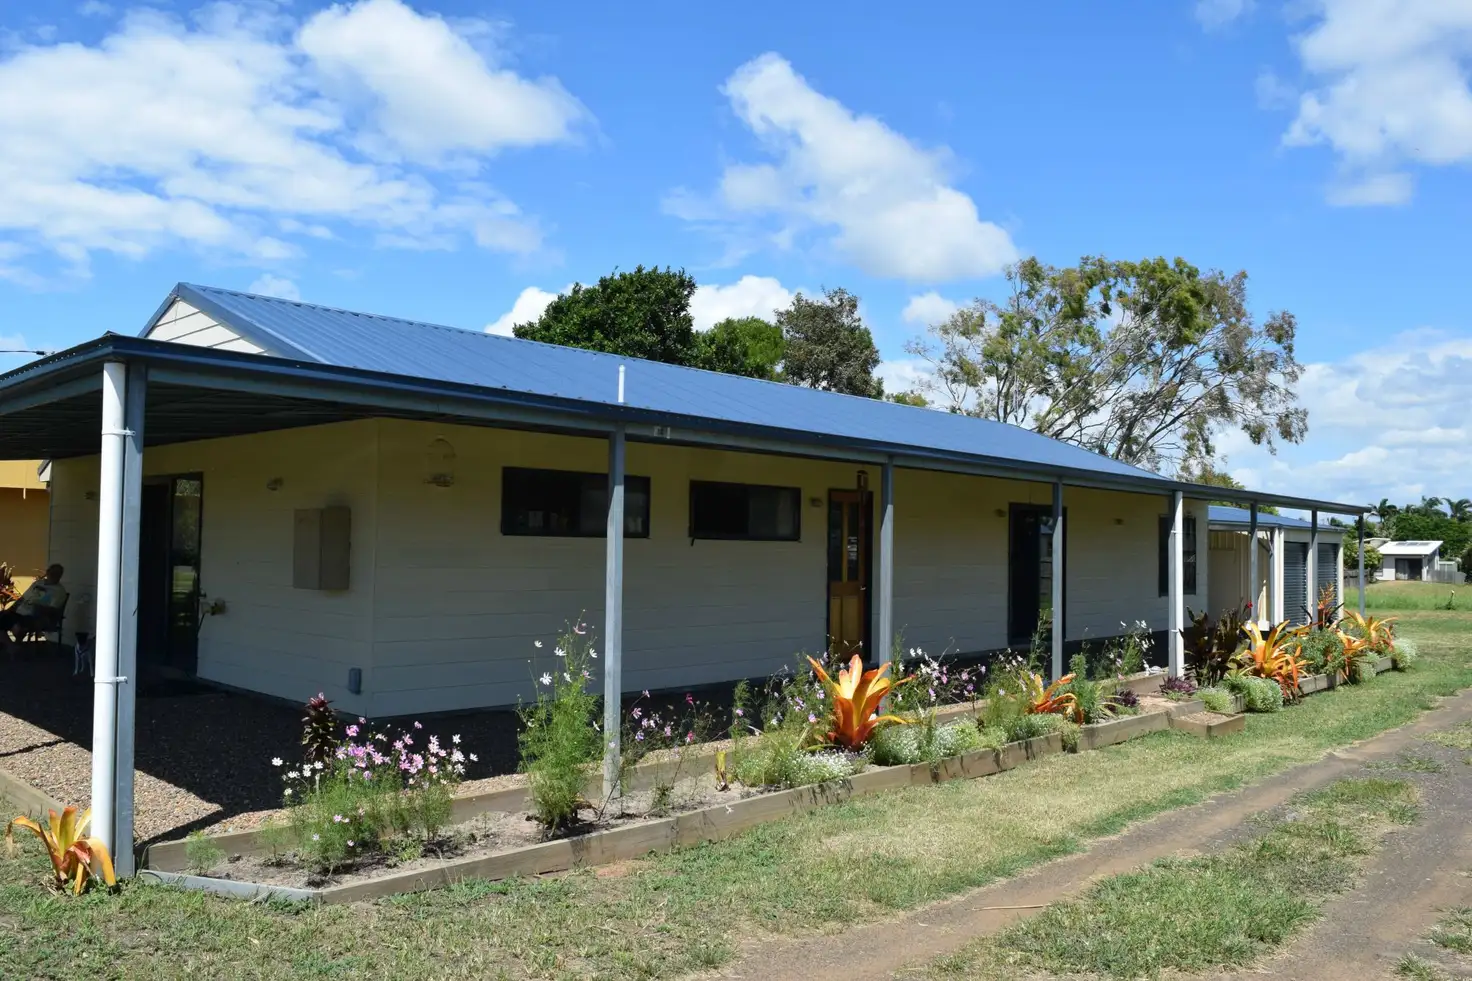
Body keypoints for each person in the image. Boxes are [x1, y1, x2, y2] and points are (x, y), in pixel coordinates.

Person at [0, 564, 68, 645]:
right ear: (47, 572)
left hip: (35, 616)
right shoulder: (38, 583)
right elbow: (23, 598)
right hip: (20, 612)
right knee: (3, 616)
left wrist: (38, 608)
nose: (53, 575)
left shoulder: (59, 591)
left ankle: (14, 647)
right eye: (52, 572)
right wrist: (11, 608)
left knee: (18, 626)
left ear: (60, 576)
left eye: (57, 574)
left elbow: (53, 610)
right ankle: (11, 646)